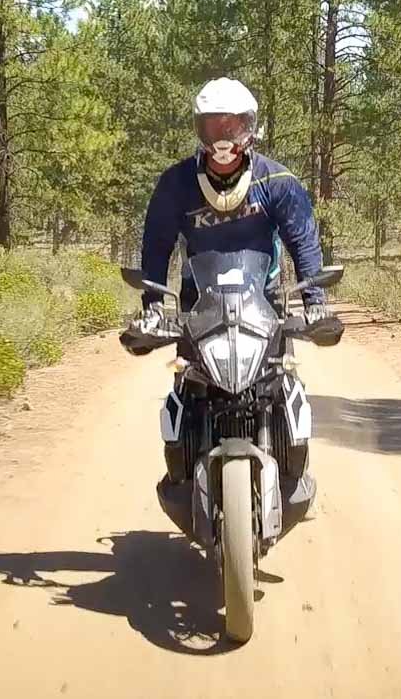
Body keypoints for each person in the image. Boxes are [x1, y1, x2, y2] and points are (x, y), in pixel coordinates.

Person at [128, 76, 334, 520]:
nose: (224, 138)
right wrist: (152, 308)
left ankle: (290, 467)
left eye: (233, 126)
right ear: (199, 130)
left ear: (251, 128)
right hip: (198, 309)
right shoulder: (176, 183)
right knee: (189, 391)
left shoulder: (277, 181)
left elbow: (303, 240)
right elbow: (155, 245)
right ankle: (183, 468)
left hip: (266, 307)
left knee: (281, 385)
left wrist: (314, 300)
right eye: (213, 127)